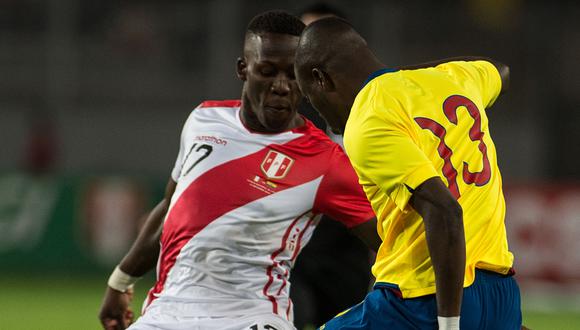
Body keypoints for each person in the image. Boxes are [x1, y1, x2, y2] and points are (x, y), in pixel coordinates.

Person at [98, 11, 380, 330]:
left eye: (292, 75)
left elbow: (389, 240)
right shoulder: (203, 120)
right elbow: (169, 208)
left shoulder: (325, 160)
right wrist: (120, 282)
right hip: (166, 314)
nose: (282, 87)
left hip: (253, 318)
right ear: (243, 70)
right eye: (268, 71)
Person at [295, 17, 521, 330]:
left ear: (321, 79)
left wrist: (450, 324)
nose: (316, 109)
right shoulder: (455, 79)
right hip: (500, 296)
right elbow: (500, 71)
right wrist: (407, 76)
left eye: (309, 96)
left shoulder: (368, 119)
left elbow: (445, 210)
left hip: (424, 300)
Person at [289, 4, 373, 330]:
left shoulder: (371, 106)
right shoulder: (282, 108)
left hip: (348, 251)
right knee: (295, 316)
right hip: (293, 252)